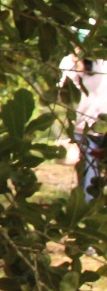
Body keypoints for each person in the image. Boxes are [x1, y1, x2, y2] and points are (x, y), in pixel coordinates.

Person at [60, 53, 107, 197]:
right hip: (83, 130)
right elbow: (62, 95)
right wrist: (76, 66)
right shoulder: (69, 62)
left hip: (104, 128)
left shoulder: (103, 61)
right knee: (89, 172)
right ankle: (88, 206)